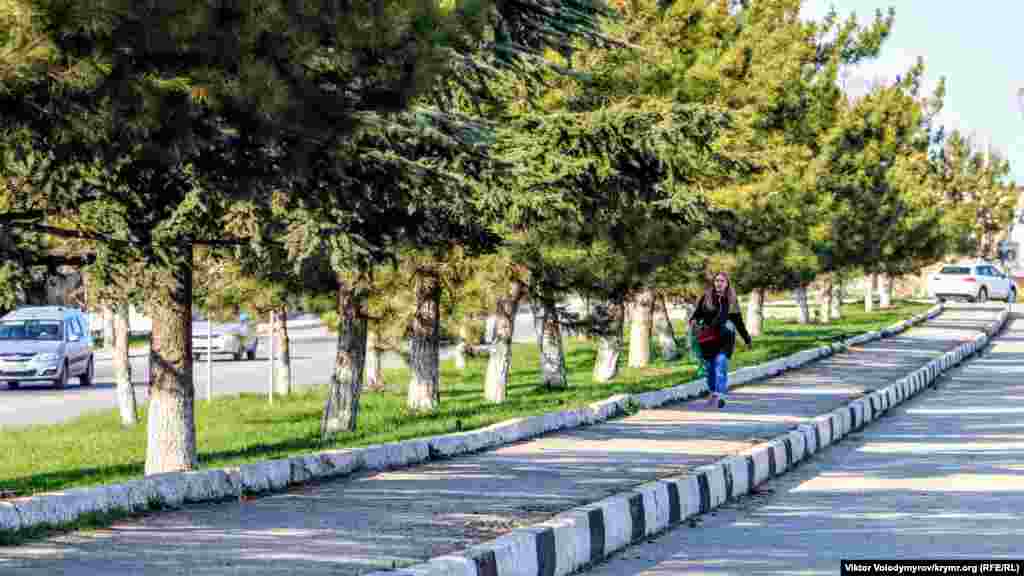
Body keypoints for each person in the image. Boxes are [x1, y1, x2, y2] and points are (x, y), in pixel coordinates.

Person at [688, 272, 753, 408]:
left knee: (721, 364)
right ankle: (713, 391)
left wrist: (747, 339)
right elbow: (697, 314)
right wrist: (694, 321)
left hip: (725, 338)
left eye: (722, 281)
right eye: (717, 280)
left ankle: (720, 394)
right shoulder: (706, 297)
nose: (719, 283)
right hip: (708, 338)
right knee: (710, 368)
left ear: (727, 283)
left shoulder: (731, 300)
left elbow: (738, 321)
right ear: (714, 282)